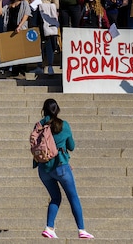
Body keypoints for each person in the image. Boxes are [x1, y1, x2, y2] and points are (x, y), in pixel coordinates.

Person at [35, 98, 94, 240]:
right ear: (57, 109)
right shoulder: (63, 125)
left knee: (55, 197)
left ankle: (49, 227)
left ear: (44, 110)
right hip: (60, 166)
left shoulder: (39, 125)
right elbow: (71, 146)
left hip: (43, 168)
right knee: (73, 196)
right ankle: (81, 230)